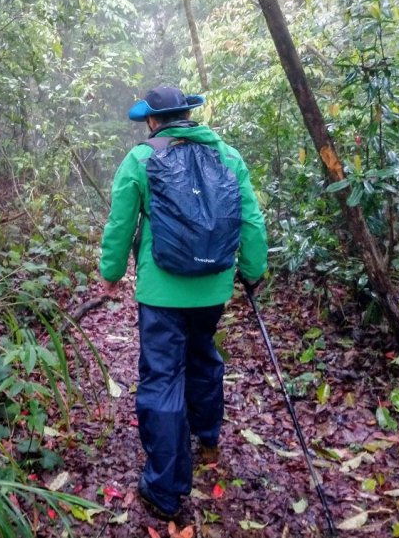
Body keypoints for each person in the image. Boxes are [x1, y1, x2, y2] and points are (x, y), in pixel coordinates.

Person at [99, 85, 268, 520]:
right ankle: (207, 436)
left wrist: (111, 275)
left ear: (153, 121)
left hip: (161, 292)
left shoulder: (140, 160)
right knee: (203, 354)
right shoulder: (228, 156)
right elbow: (249, 217)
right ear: (188, 115)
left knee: (161, 376)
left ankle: (165, 488)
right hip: (213, 287)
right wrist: (253, 268)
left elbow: (121, 224)